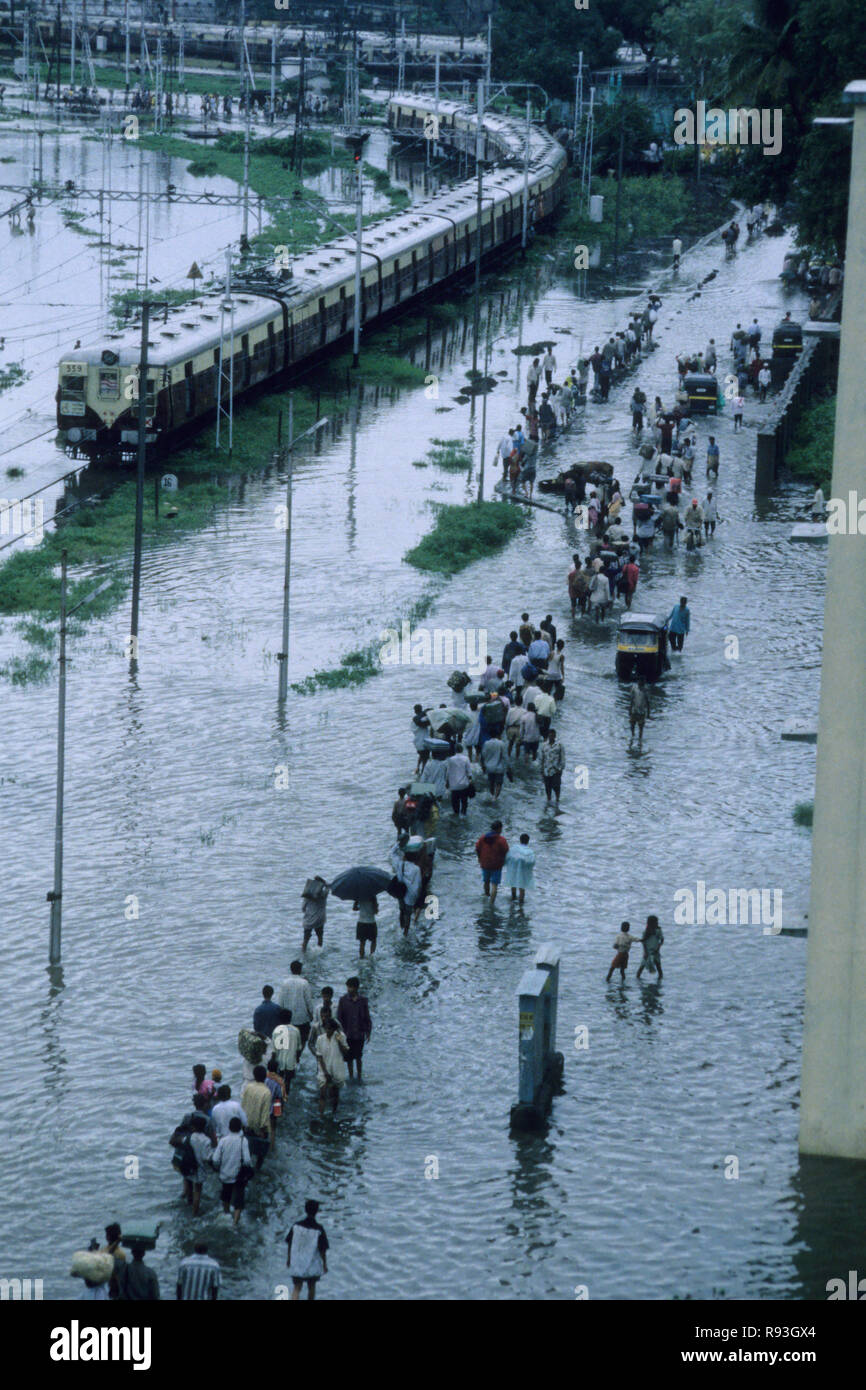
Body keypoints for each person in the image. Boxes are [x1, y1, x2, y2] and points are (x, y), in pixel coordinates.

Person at [286, 1200, 329, 1301]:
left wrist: (288, 1259)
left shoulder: (296, 1226)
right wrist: (324, 1264)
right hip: (311, 1263)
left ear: (305, 1210)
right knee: (311, 1287)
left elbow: (290, 1243)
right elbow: (323, 1249)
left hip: (297, 1261)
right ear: (317, 1211)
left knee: (297, 1288)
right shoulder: (319, 1229)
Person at [212, 1117, 252, 1225]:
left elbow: (215, 1159)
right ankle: (235, 1223)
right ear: (240, 1128)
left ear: (229, 1127)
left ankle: (227, 1214)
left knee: (226, 1197)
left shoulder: (223, 1141)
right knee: (238, 1202)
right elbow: (247, 1160)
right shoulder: (243, 1141)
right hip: (238, 1176)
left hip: (225, 1175)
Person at [337, 978, 372, 1080]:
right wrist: (339, 1033)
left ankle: (359, 1075)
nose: (349, 989)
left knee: (359, 1056)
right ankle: (351, 1076)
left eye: (351, 987)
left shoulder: (363, 1001)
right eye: (348, 987)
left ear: (356, 988)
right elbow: (339, 1018)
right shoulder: (343, 1000)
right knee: (349, 1057)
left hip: (359, 1033)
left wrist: (368, 1032)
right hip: (347, 1033)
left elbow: (367, 1017)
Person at [315, 1014, 349, 1115]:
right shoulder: (320, 1039)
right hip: (324, 1069)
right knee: (322, 1093)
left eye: (331, 1029)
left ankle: (334, 1111)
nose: (328, 1031)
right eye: (327, 1028)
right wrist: (325, 1072)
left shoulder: (340, 1036)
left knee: (335, 1093)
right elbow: (319, 1057)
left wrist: (339, 1042)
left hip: (336, 1067)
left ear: (334, 1029)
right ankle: (321, 1114)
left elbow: (346, 1053)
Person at [241, 1065, 273, 1167]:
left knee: (248, 1150)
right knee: (260, 1153)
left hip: (247, 1124)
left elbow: (243, 1106)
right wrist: (263, 1130)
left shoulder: (248, 1087)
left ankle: (247, 1170)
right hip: (259, 1128)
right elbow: (265, 1114)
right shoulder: (266, 1092)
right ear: (265, 1077)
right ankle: (258, 1171)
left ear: (254, 1076)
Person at [279, 961, 314, 1049]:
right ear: (300, 970)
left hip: (288, 1018)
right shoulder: (304, 983)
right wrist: (311, 1014)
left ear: (291, 970)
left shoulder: (285, 983)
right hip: (302, 1018)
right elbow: (308, 1001)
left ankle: (293, 1058)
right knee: (302, 1040)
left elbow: (281, 1002)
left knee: (289, 1042)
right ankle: (298, 1056)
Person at [391, 836, 423, 932]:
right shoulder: (416, 869)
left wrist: (398, 844)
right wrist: (417, 897)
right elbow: (418, 885)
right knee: (408, 915)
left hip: (400, 892)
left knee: (401, 911)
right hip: (410, 895)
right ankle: (406, 932)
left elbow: (392, 854)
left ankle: (401, 927)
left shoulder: (400, 864)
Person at [475, 821, 509, 904]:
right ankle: (491, 904)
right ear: (499, 829)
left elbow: (477, 848)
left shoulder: (482, 838)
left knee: (486, 881)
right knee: (494, 885)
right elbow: (506, 851)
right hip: (496, 865)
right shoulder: (501, 840)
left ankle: (486, 896)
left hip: (485, 863)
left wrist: (480, 858)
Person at [272, 1008, 302, 1092]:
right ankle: (286, 1097)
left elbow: (274, 1050)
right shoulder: (296, 1030)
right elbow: (299, 1048)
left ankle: (280, 1099)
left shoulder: (276, 1031)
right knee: (288, 1081)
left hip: (279, 1061)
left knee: (279, 1082)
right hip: (291, 1061)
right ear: (290, 1018)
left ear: (280, 1019)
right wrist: (297, 1059)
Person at [504, 833, 536, 905]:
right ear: (528, 841)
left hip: (513, 870)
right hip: (523, 871)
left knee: (513, 883)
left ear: (520, 840)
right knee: (522, 887)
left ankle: (513, 898)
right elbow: (532, 862)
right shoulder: (530, 852)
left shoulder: (513, 849)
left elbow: (507, 858)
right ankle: (521, 904)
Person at [301, 877, 329, 950]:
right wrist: (324, 881)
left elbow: (303, 908)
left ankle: (303, 953)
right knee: (319, 937)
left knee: (305, 940)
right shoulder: (323, 895)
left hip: (309, 920)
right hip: (319, 919)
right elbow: (328, 887)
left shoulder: (307, 896)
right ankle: (319, 952)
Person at [539, 729, 565, 806]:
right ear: (548, 736)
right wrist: (541, 769)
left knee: (556, 786)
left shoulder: (559, 745)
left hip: (556, 769)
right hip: (546, 769)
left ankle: (557, 799)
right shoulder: (544, 745)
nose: (551, 737)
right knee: (547, 786)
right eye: (550, 735)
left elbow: (562, 757)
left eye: (553, 735)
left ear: (555, 736)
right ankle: (549, 799)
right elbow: (541, 758)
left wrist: (561, 768)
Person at [636, 915, 665, 979]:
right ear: (651, 923)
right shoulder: (645, 932)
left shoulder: (658, 931)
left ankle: (659, 980)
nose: (657, 923)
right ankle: (637, 980)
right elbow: (643, 943)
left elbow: (662, 940)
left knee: (659, 968)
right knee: (641, 967)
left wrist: (658, 948)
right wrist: (645, 952)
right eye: (656, 922)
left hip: (655, 952)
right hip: (648, 953)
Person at [481, 731, 508, 798]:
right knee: (499, 784)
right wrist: (508, 767)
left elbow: (483, 755)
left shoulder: (486, 743)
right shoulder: (501, 743)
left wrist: (483, 766)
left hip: (489, 767)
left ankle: (492, 795)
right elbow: (505, 757)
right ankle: (495, 798)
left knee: (491, 783)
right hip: (499, 768)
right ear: (498, 735)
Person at [628, 680, 650, 748]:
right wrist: (630, 710)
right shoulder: (634, 689)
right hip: (634, 711)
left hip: (642, 712)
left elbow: (648, 703)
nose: (640, 685)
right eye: (640, 683)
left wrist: (648, 713)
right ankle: (633, 736)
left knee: (641, 727)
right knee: (632, 724)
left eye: (642, 684)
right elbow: (631, 700)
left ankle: (640, 740)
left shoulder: (645, 691)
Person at [412, 705, 431, 773]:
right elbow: (424, 723)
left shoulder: (413, 722)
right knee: (425, 759)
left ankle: (417, 768)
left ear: (415, 711)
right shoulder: (421, 719)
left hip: (417, 742)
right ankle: (423, 772)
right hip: (424, 742)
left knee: (421, 756)